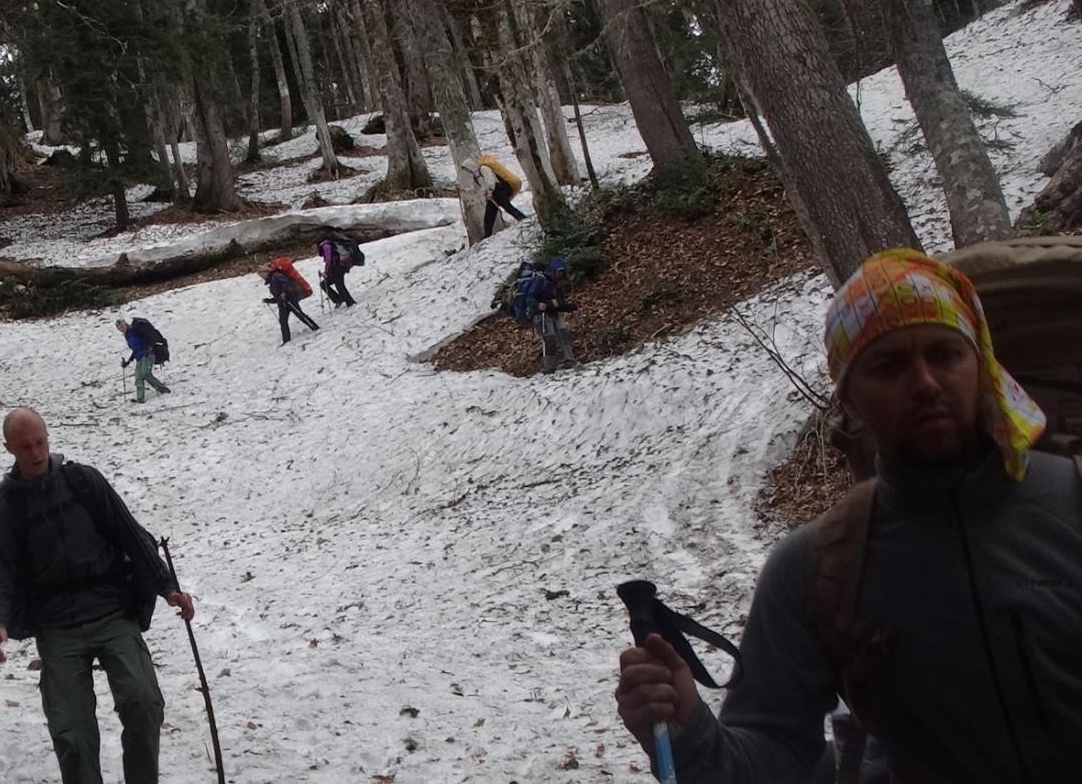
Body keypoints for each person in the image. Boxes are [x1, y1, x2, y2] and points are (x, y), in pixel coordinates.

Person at [614, 249, 1082, 783]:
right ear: (849, 400)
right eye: (890, 365)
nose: (926, 383)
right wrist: (688, 730)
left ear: (983, 369)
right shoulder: (818, 566)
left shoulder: (1072, 500)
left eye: (946, 354)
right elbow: (771, 753)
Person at [0, 407, 196, 784]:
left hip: (111, 610)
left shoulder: (83, 482)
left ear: (48, 437)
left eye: (40, 443)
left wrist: (167, 588)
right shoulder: (7, 507)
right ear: (8, 449)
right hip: (56, 626)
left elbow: (130, 532)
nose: (35, 453)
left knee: (143, 703)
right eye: (25, 446)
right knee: (72, 734)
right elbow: (1, 574)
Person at [524, 257, 576, 373]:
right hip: (540, 314)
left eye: (562, 271)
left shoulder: (558, 284)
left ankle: (569, 359)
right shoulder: (540, 280)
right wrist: (537, 305)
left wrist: (568, 306)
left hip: (553, 311)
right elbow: (529, 297)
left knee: (563, 332)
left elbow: (560, 301)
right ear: (553, 269)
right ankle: (549, 366)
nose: (560, 274)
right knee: (550, 337)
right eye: (559, 271)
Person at [460, 154, 527, 238]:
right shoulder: (477, 175)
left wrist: (490, 192)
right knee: (490, 215)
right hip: (494, 192)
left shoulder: (484, 169)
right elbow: (482, 187)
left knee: (506, 207)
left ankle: (523, 219)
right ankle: (487, 235)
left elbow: (490, 181)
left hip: (499, 189)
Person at [259, 264, 319, 345]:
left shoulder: (276, 275)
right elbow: (278, 296)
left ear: (266, 272)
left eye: (261, 275)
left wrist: (284, 292)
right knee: (283, 321)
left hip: (289, 299)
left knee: (299, 314)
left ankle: (315, 327)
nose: (261, 277)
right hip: (282, 303)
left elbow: (286, 283)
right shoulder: (271, 280)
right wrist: (269, 301)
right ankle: (286, 340)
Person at [115, 318, 171, 404]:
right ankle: (140, 399)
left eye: (122, 326)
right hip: (139, 358)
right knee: (138, 378)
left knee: (145, 374)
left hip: (148, 355)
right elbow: (135, 350)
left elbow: (149, 338)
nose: (122, 329)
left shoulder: (135, 330)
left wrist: (150, 347)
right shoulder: (127, 336)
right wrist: (127, 362)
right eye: (120, 329)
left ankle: (163, 389)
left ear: (125, 323)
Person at [317, 234, 356, 308]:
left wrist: (326, 272)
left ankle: (349, 302)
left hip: (337, 268)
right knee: (327, 284)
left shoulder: (326, 246)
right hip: (339, 267)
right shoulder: (329, 244)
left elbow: (329, 260)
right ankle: (340, 299)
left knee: (339, 285)